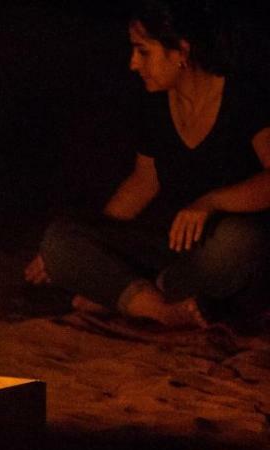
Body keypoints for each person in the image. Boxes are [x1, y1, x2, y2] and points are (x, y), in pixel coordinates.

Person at [26, 0, 270, 329]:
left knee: (242, 243)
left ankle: (132, 294)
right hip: (173, 243)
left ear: (181, 51)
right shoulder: (154, 103)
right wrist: (95, 239)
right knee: (59, 238)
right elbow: (143, 182)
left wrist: (211, 202)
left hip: (224, 245)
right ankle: (162, 308)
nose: (133, 64)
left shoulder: (244, 97)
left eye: (143, 52)